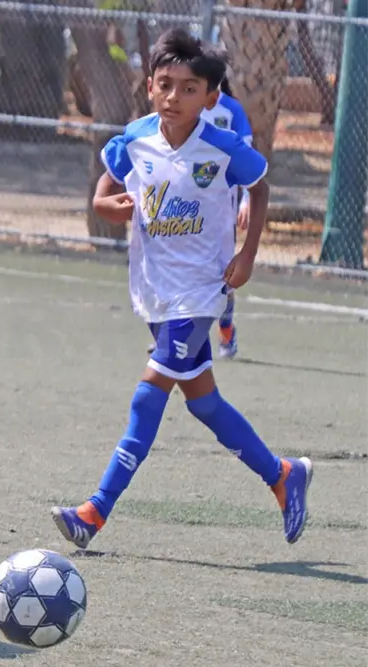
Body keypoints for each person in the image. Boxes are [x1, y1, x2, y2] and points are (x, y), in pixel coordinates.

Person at [51, 29, 312, 550]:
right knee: (203, 403)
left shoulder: (220, 144)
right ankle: (282, 474)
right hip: (154, 288)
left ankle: (94, 512)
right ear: (149, 86)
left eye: (189, 88)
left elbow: (258, 188)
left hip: (201, 290)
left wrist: (248, 254)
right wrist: (104, 206)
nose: (174, 96)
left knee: (149, 395)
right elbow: (106, 188)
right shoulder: (136, 137)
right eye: (165, 84)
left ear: (210, 97)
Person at [199, 71, 254, 359]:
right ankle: (172, 337)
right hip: (188, 205)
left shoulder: (231, 110)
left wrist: (246, 199)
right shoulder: (187, 106)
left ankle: (226, 331)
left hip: (222, 208)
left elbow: (247, 157)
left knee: (223, 275)